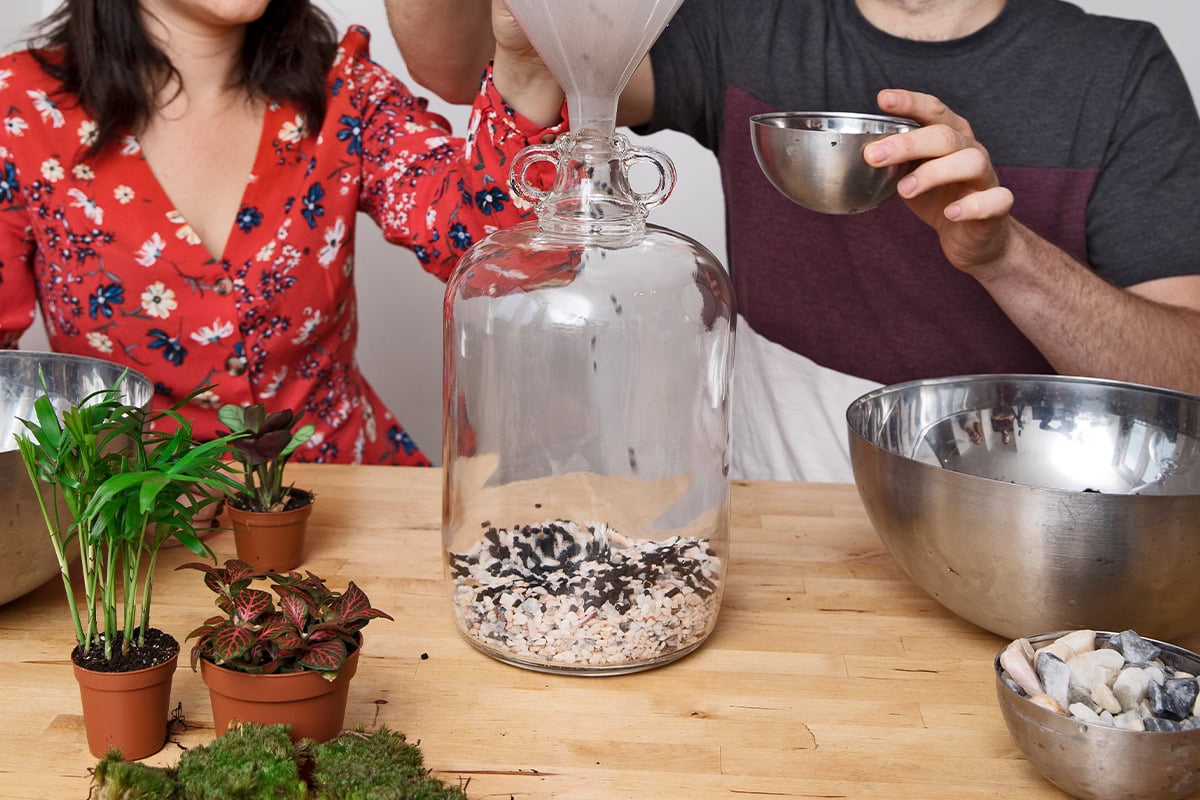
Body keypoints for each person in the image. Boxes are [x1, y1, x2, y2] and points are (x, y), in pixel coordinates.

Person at [387, 0, 1200, 482]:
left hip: (1012, 517)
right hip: (776, 512)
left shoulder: (1117, 69)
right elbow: (475, 63)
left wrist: (1004, 255)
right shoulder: (746, 21)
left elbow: (1185, 382)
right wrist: (527, 32)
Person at [0, 0, 565, 466]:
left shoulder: (346, 89)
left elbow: (502, 256)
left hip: (356, 507)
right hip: (135, 531)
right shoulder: (18, 109)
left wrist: (525, 62)